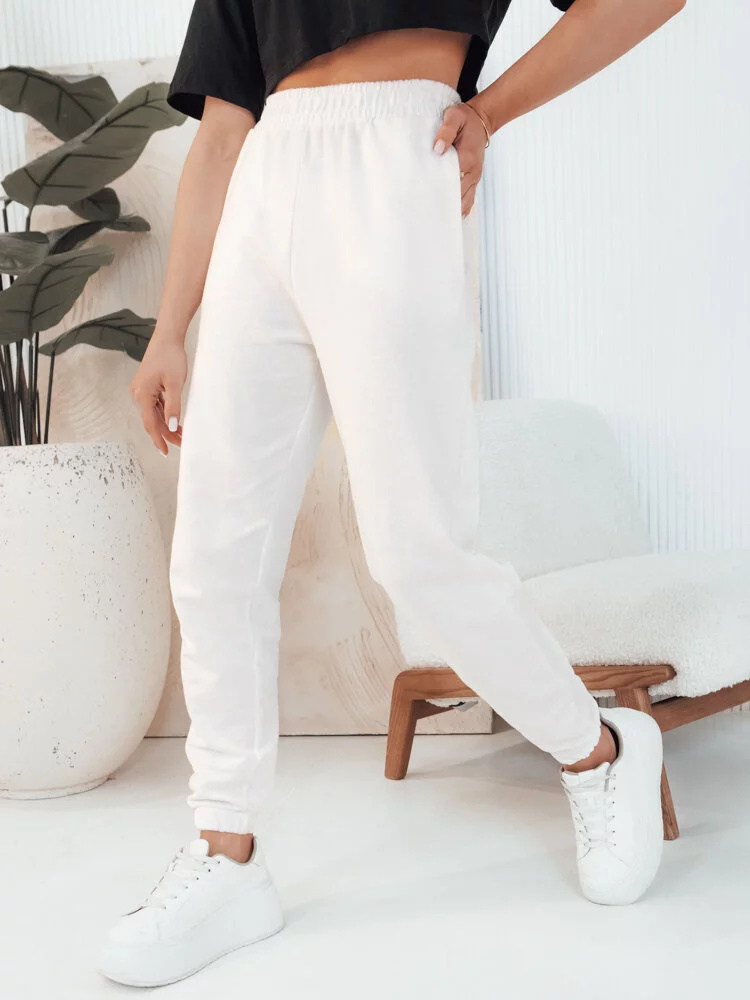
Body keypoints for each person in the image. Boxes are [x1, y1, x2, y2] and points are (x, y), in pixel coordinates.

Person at [98, 0, 686, 987]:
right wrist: (169, 330)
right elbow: (223, 131)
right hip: (266, 184)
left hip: (399, 158)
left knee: (419, 551)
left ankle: (598, 751)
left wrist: (490, 109)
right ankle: (227, 852)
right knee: (212, 556)